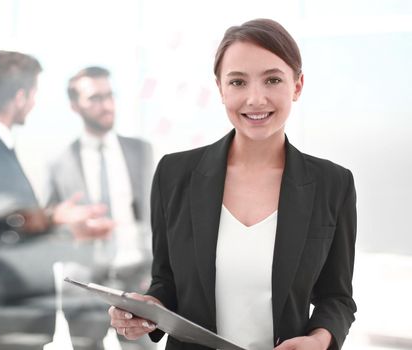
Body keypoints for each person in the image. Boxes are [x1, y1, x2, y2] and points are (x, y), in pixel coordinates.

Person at [109, 18, 357, 350]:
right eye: (238, 82)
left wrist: (319, 340)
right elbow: (165, 281)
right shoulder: (174, 173)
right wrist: (148, 309)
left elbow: (336, 297)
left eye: (272, 80)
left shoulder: (332, 183)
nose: (255, 99)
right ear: (220, 89)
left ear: (297, 86)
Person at [0, 51, 113, 350]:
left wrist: (54, 221)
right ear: (21, 97)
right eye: (35, 93)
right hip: (6, 324)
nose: (35, 102)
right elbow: (3, 237)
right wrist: (60, 227)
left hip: (2, 322)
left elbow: (7, 225)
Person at [45, 66, 155, 350]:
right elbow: (48, 227)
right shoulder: (59, 162)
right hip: (83, 288)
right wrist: (71, 228)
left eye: (109, 95)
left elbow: (159, 217)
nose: (106, 104)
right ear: (74, 105)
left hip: (136, 284)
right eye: (94, 98)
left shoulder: (141, 151)